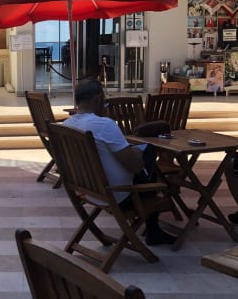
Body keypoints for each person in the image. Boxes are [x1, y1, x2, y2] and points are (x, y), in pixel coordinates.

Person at [63, 78, 177, 245]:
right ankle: (153, 229)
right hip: (118, 194)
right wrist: (138, 153)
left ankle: (152, 228)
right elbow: (136, 166)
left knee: (141, 152)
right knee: (149, 151)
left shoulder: (66, 125)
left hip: (89, 191)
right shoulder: (104, 125)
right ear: (98, 98)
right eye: (104, 101)